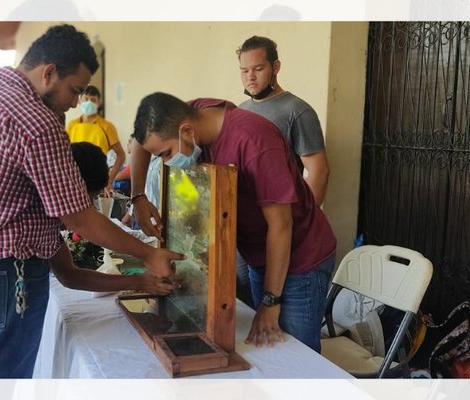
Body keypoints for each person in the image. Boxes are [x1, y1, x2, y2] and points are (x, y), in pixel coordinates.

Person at [0, 25, 183, 378]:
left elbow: (67, 272)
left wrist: (140, 281)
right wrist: (150, 254)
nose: (77, 102)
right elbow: (81, 220)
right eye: (74, 90)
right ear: (48, 73)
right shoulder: (36, 121)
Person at [0, 142, 171, 378]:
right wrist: (146, 259)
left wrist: (137, 280)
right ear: (76, 188)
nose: (91, 206)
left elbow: (68, 274)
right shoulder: (32, 209)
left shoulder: (39, 195)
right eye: (92, 196)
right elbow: (71, 270)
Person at [129, 92, 336, 352]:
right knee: (265, 346)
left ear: (186, 131)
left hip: (300, 258)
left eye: (166, 153)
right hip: (258, 254)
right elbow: (140, 141)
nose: (166, 162)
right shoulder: (190, 115)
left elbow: (281, 226)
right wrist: (138, 197)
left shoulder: (254, 142)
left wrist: (271, 301)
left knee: (294, 354)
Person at [235, 35, 332, 308]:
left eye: (258, 69)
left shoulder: (297, 111)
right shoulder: (241, 112)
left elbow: (319, 171)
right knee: (251, 318)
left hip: (284, 233)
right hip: (250, 237)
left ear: (276, 67)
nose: (250, 77)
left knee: (288, 326)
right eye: (244, 70)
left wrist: (302, 227)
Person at [66, 85, 126, 192]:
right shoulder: (72, 125)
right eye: (86, 99)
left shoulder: (107, 126)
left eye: (93, 100)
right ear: (80, 101)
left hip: (98, 177)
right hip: (73, 177)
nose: (89, 102)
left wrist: (110, 180)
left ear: (99, 103)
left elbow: (121, 155)